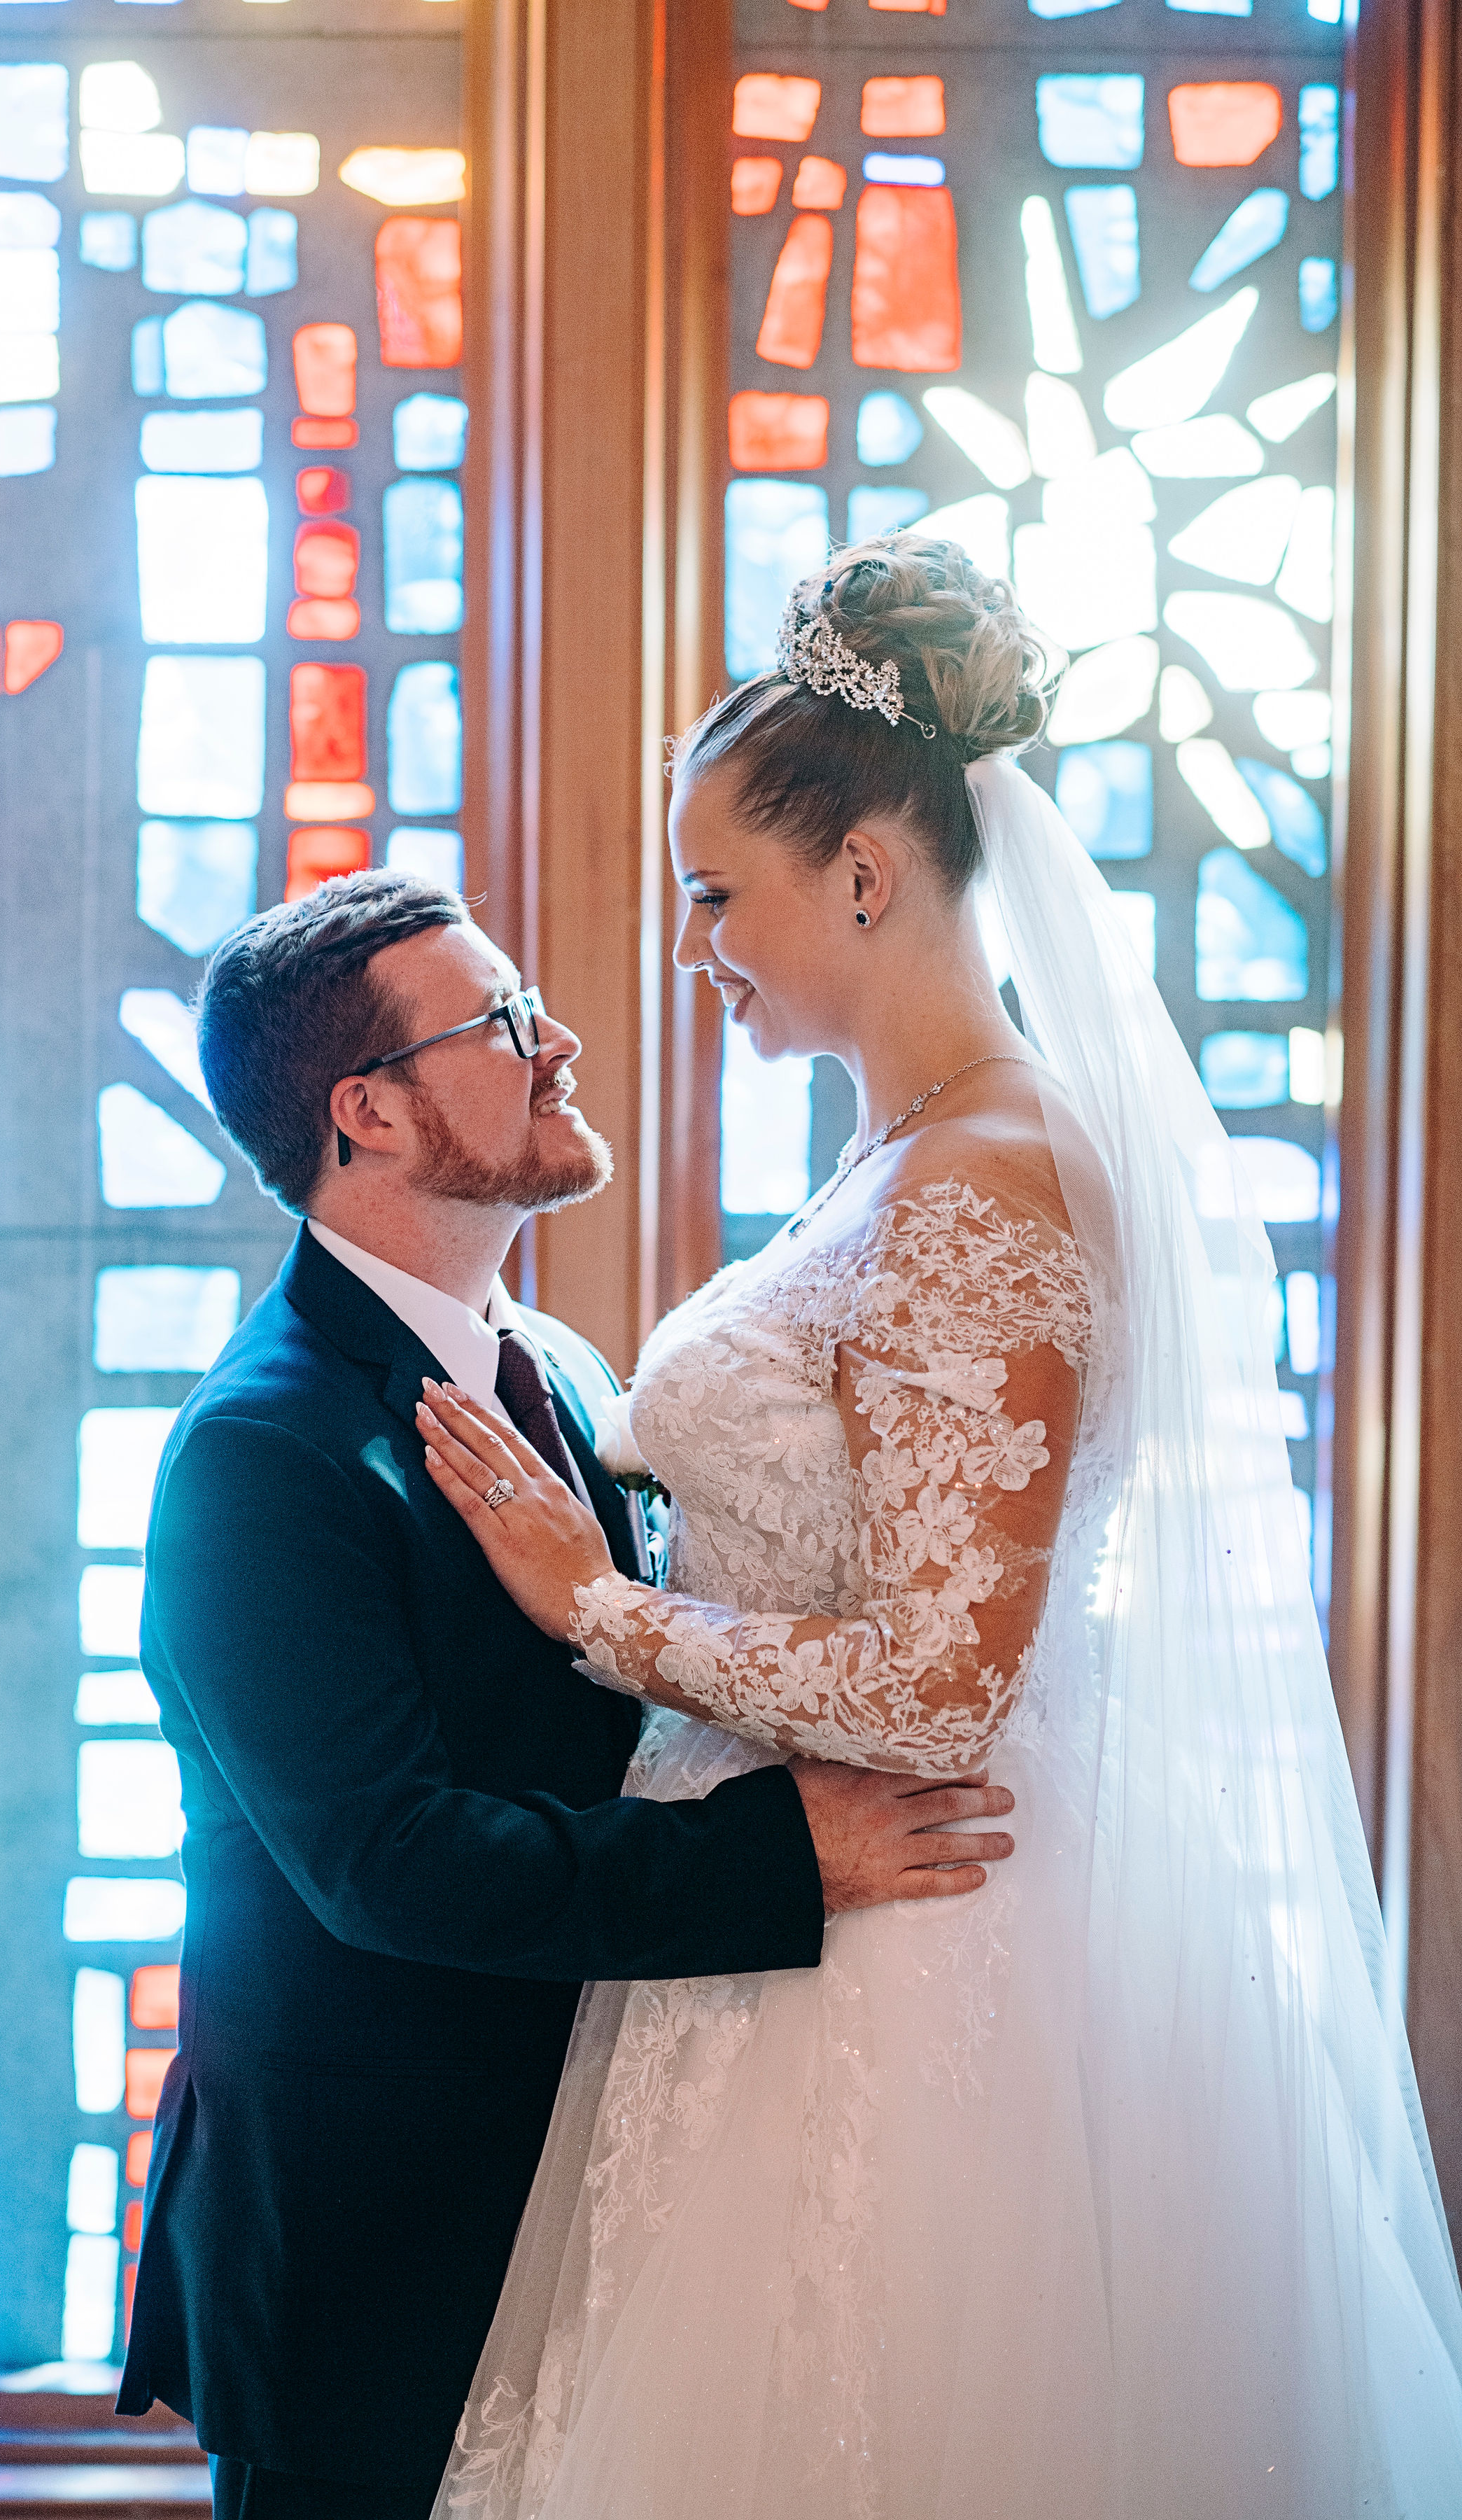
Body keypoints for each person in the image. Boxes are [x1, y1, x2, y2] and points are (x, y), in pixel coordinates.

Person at [420, 536, 1462, 2517]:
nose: (694, 943)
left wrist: (596, 1612)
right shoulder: (899, 1162)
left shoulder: (985, 1179)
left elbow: (940, 1683)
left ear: (867, 876)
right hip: (790, 1920)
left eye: (715, 892)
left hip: (915, 1954)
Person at [113, 869, 1020, 2520]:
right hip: (381, 2261)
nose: (563, 1043)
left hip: (598, 2223)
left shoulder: (574, 1379)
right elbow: (390, 1860)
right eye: (506, 1023)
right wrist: (785, 1856)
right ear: (369, 1113)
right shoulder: (261, 1453)